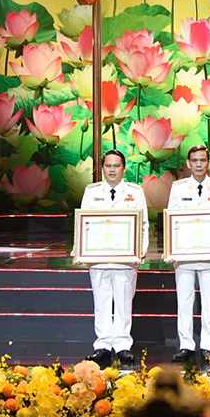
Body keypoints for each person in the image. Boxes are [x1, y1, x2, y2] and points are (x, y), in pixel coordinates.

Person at [79, 149, 149, 366]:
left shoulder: (135, 192)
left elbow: (143, 225)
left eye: (116, 166)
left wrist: (140, 252)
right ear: (102, 168)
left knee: (123, 302)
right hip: (99, 258)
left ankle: (122, 346)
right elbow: (83, 224)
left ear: (124, 168)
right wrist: (82, 250)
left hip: (125, 259)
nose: (112, 170)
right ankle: (102, 346)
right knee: (101, 302)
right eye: (108, 165)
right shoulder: (91, 192)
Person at [167, 145, 210, 363]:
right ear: (188, 163)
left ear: (209, 163)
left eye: (202, 160)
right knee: (184, 301)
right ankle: (186, 345)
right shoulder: (178, 188)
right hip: (184, 253)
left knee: (209, 301)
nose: (199, 164)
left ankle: (207, 345)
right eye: (195, 161)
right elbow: (172, 220)